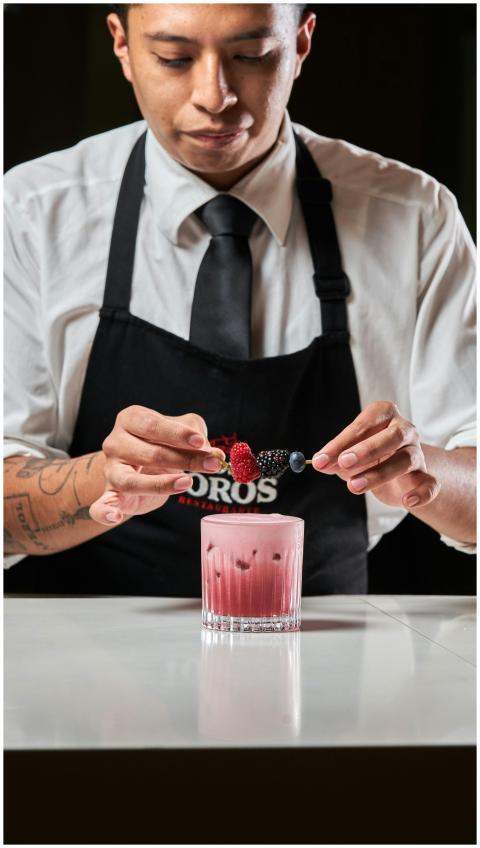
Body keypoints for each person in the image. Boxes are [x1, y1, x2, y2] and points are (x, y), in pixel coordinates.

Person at [4, 3, 476, 595]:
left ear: (301, 43)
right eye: (174, 58)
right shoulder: (29, 213)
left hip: (322, 647)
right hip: (84, 650)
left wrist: (421, 468)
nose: (214, 96)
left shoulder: (415, 218)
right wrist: (106, 476)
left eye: (251, 56)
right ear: (122, 45)